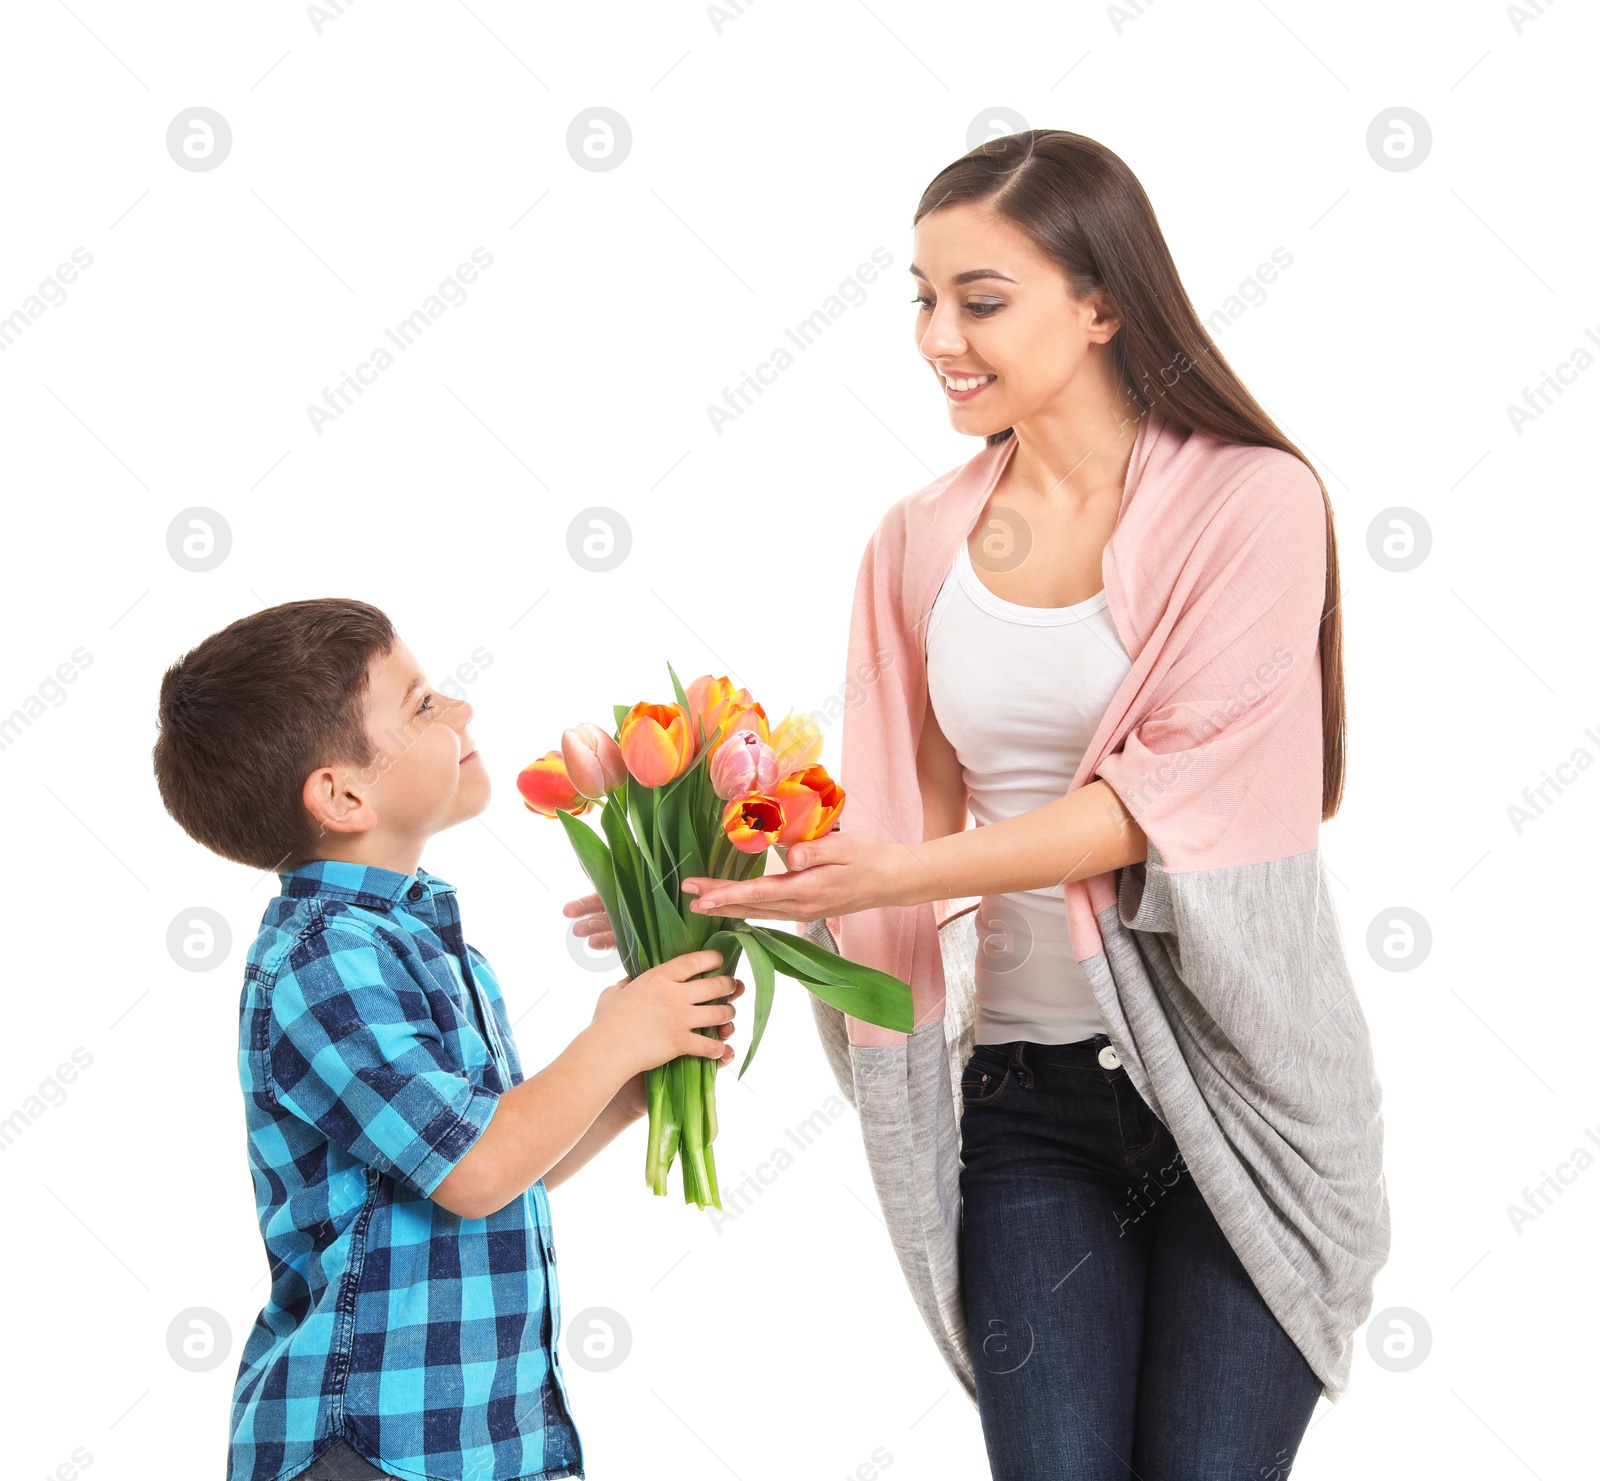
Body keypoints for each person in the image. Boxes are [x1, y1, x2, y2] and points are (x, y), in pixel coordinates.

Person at [571, 130, 1389, 1478]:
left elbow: (1155, 802)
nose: (938, 335)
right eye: (922, 296)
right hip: (1029, 1105)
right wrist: (705, 881)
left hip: (1243, 1096)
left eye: (981, 298)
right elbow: (892, 825)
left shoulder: (1254, 501)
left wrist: (879, 879)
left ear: (1104, 302)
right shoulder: (917, 542)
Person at [153, 597, 742, 1481]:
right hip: (372, 1449)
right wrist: (612, 1042)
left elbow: (492, 1165)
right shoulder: (324, 962)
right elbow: (474, 1170)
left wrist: (625, 1087)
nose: (460, 711)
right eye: (422, 704)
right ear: (343, 794)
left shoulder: (416, 935)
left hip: (480, 1438)